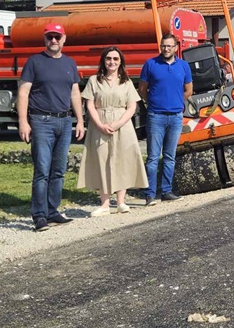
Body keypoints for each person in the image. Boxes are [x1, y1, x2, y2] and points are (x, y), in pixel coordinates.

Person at [17, 23, 85, 232]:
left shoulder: (70, 64)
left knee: (59, 170)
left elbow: (75, 94)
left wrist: (80, 121)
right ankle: (39, 216)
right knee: (42, 170)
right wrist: (23, 121)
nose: (53, 40)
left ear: (64, 39)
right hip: (41, 121)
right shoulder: (34, 62)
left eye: (57, 37)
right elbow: (23, 93)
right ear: (45, 39)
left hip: (64, 122)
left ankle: (53, 210)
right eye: (50, 37)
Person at [77, 47, 148, 216]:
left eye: (116, 59)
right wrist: (100, 125)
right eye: (109, 58)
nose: (112, 62)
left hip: (122, 124)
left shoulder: (126, 81)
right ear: (103, 60)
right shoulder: (94, 81)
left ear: (120, 62)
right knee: (102, 160)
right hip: (99, 123)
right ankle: (104, 203)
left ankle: (121, 201)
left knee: (121, 159)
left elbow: (132, 106)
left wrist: (118, 123)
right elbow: (89, 105)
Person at [138, 34, 193, 206]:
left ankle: (166, 191)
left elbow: (189, 90)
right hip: (156, 116)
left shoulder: (183, 66)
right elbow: (142, 89)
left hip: (176, 117)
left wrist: (176, 102)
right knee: (153, 157)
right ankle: (149, 194)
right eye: (163, 46)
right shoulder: (150, 64)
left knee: (170, 157)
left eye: (169, 46)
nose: (166, 49)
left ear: (176, 47)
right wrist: (152, 102)